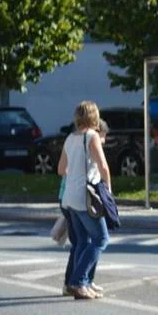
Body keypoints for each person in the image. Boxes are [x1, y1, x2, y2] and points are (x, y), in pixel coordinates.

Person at [57, 102, 111, 299]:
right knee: (101, 239)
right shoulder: (92, 136)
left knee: (81, 241)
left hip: (69, 198)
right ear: (94, 116)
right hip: (84, 197)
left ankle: (83, 282)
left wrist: (76, 171)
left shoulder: (70, 138)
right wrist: (108, 190)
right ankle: (78, 282)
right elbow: (103, 166)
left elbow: (61, 169)